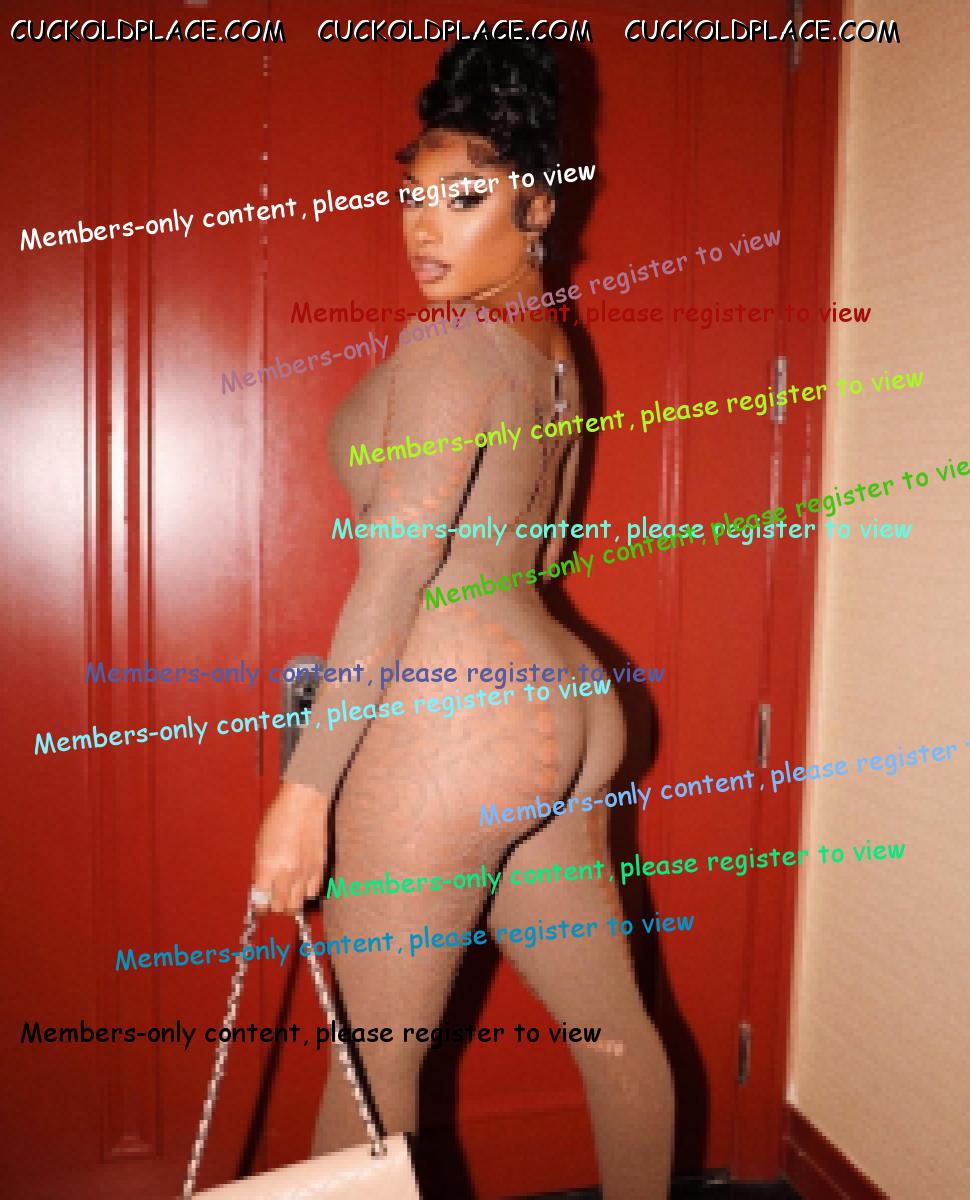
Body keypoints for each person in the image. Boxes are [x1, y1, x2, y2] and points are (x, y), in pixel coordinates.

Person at [252, 40, 673, 1199]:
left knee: (369, 1076)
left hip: (457, 717)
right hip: (566, 702)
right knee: (615, 1034)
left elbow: (395, 576)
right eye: (413, 196)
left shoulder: (448, 345)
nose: (425, 228)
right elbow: (545, 547)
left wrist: (305, 792)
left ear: (537, 207)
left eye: (466, 197)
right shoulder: (556, 352)